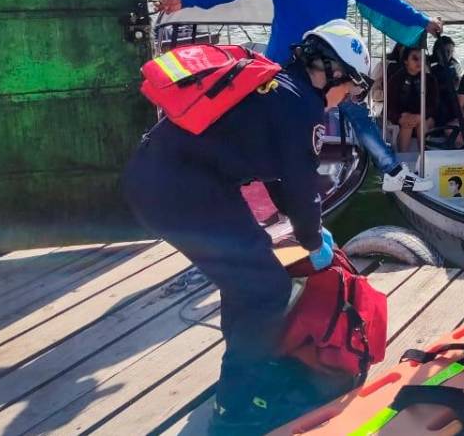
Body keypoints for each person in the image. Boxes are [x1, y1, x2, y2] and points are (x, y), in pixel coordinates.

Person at [122, 21, 373, 433]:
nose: (346, 98)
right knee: (266, 288)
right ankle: (236, 410)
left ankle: (246, 367)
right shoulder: (303, 108)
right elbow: (301, 188)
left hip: (161, 179)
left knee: (248, 278)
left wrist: (306, 230)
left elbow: (279, 182)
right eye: (350, 88)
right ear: (333, 72)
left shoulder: (274, 85)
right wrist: (313, 240)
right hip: (182, 192)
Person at [154, 0, 439, 193]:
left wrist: (421, 20)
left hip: (333, 65)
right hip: (287, 61)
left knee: (356, 109)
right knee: (280, 119)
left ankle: (392, 172)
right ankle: (255, 175)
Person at [386, 47, 439, 152]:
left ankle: (424, 156)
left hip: (426, 117)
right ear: (406, 61)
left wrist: (420, 116)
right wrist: (399, 118)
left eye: (422, 58)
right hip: (403, 118)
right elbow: (390, 106)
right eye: (415, 58)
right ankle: (404, 156)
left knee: (421, 123)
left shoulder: (430, 80)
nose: (419, 62)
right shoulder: (395, 80)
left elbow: (434, 105)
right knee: (408, 124)